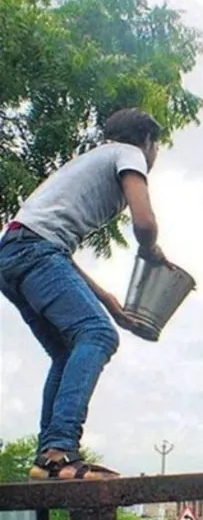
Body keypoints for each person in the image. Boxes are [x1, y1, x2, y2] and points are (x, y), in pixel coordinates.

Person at [0, 107, 170, 481]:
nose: (153, 158)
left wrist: (107, 300)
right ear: (147, 142)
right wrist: (150, 249)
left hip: (13, 255)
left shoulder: (89, 161)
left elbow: (50, 248)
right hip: (35, 252)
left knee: (67, 350)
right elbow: (145, 223)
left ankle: (47, 462)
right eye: (156, 149)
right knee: (97, 335)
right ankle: (60, 452)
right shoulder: (129, 154)